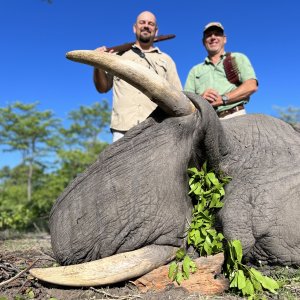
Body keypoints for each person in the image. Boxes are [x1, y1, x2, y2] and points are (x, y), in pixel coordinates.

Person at [93, 11, 182, 142]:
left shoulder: (166, 60)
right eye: (142, 22)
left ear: (156, 31)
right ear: (135, 28)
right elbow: (102, 88)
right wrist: (97, 63)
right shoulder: (118, 56)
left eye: (150, 24)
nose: (146, 26)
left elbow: (178, 96)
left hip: (156, 131)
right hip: (122, 131)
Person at [184, 22, 258, 119]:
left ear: (224, 39)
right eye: (208, 35)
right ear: (203, 42)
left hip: (236, 116)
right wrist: (200, 99)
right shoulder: (195, 70)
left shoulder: (238, 58)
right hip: (206, 120)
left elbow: (251, 85)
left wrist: (223, 99)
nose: (213, 37)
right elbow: (186, 100)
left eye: (217, 34)